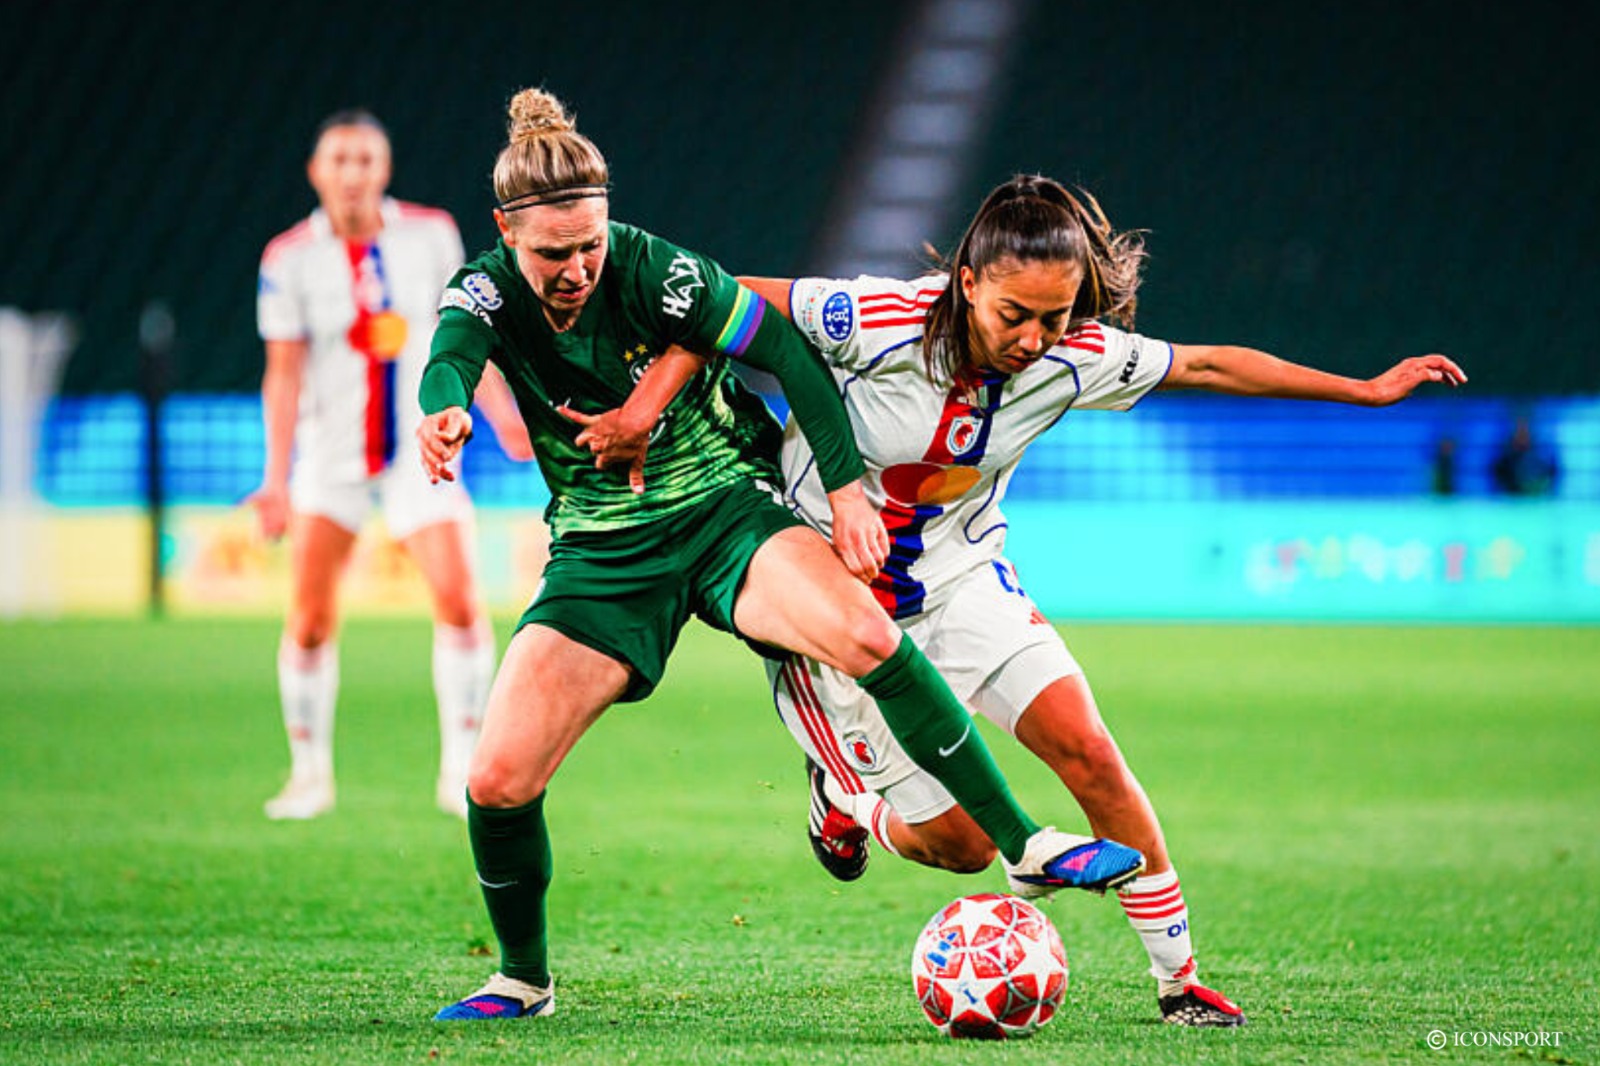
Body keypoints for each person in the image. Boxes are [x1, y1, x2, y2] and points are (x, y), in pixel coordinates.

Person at [595, 175, 1467, 1027]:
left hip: (966, 579)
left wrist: (1364, 390)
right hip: (839, 609)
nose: (1035, 338)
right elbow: (720, 301)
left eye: (1056, 315)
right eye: (1016, 315)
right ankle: (847, 800)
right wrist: (641, 406)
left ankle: (1180, 981)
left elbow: (1205, 363)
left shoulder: (1076, 354)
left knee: (1089, 748)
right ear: (968, 283)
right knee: (963, 847)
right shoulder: (874, 318)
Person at [415, 92, 1144, 1022]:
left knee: (865, 634)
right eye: (554, 253)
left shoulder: (656, 270)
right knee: (497, 781)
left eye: (590, 243)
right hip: (603, 552)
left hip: (728, 509)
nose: (578, 268)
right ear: (506, 234)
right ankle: (522, 978)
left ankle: (1026, 840)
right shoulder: (480, 289)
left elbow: (789, 354)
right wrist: (445, 408)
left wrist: (844, 496)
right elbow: (451, 351)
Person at [253, 109, 533, 821]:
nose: (352, 174)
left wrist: (502, 415)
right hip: (332, 458)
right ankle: (309, 774)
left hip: (420, 450)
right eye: (339, 160)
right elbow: (282, 374)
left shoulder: (430, 234)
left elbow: (463, 333)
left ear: (385, 169)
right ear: (317, 171)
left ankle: (459, 770)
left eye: (365, 160)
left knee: (461, 603)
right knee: (311, 620)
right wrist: (276, 478)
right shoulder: (288, 257)